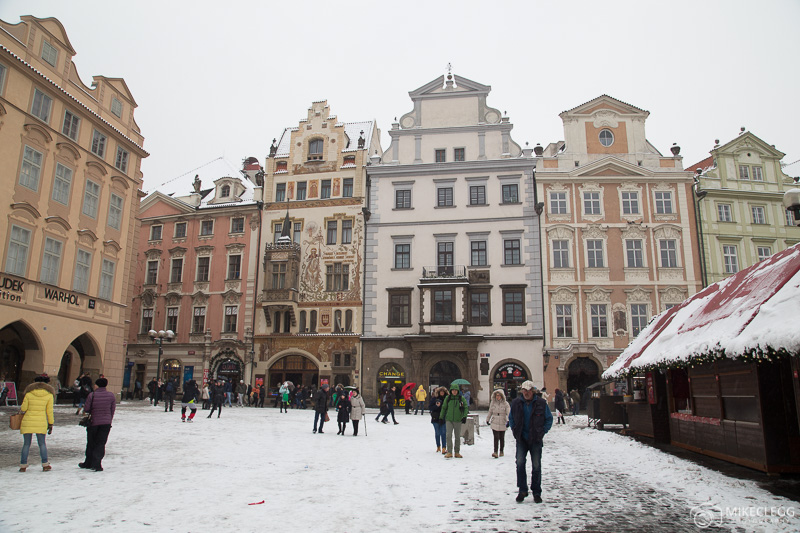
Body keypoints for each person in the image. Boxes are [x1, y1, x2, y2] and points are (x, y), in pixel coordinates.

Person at [509, 381, 553, 503]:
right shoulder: (516, 403)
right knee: (520, 463)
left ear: (533, 391)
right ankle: (522, 490)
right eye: (524, 390)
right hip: (522, 438)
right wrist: (514, 429)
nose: (526, 393)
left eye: (528, 391)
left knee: (536, 466)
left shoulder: (541, 403)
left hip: (536, 439)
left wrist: (542, 431)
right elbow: (511, 418)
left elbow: (549, 418)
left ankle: (536, 492)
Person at [18, 375, 55, 472]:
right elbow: (49, 411)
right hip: (41, 421)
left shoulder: (29, 394)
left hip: (28, 420)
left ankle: (23, 465)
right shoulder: (49, 395)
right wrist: (50, 423)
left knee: (26, 444)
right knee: (42, 444)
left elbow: (23, 408)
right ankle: (45, 464)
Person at [80, 377, 116, 472]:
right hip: (106, 423)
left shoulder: (92, 395)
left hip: (94, 422)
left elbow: (87, 409)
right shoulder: (111, 395)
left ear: (97, 385)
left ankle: (88, 462)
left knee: (91, 442)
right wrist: (109, 419)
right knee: (101, 443)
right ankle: (97, 463)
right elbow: (112, 410)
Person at [439, 383, 469, 458]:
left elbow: (465, 407)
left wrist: (464, 416)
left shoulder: (461, 398)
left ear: (458, 391)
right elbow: (444, 408)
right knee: (448, 435)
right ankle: (449, 451)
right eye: (453, 390)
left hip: (458, 419)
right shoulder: (448, 398)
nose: (454, 392)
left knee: (457, 436)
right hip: (449, 419)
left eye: (456, 390)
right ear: (451, 391)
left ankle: (457, 452)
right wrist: (441, 417)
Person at [487, 389, 511, 458]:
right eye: (497, 395)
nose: (497, 397)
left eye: (499, 395)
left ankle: (501, 450)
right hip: (495, 421)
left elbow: (508, 413)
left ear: (502, 396)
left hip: (502, 420)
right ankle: (495, 451)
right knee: (496, 437)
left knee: (502, 437)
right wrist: (487, 419)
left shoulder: (506, 404)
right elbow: (490, 411)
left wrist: (509, 420)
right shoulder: (493, 403)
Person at [429, 387, 448, 454]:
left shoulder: (447, 399)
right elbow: (430, 407)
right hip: (436, 418)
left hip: (444, 418)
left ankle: (444, 447)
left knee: (443, 433)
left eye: (443, 391)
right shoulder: (434, 399)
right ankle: (438, 446)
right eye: (441, 391)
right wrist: (437, 406)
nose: (442, 393)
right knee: (437, 433)